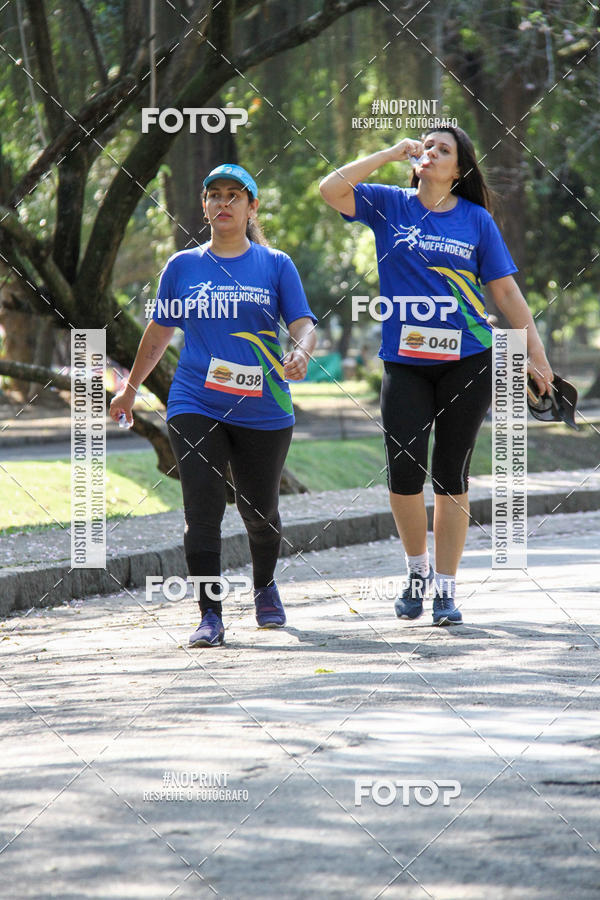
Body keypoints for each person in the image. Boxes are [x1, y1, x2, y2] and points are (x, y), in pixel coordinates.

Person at [319, 127, 552, 625]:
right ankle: (417, 571)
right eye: (426, 146)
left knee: (450, 475)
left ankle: (446, 588)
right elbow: (330, 189)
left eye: (442, 150)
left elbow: (507, 295)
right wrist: (388, 154)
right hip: (404, 363)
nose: (431, 153)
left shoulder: (477, 220)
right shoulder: (389, 204)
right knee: (404, 474)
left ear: (459, 169)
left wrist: (539, 356)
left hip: (468, 361)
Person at [110, 163, 317, 646]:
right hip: (195, 400)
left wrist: (302, 351)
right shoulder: (183, 267)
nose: (224, 203)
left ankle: (265, 587)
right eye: (215, 195)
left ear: (251, 207)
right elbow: (160, 333)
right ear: (204, 206)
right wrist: (131, 388)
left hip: (264, 405)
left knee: (259, 510)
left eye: (234, 196)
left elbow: (304, 322)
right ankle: (210, 615)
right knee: (201, 509)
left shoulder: (276, 264)